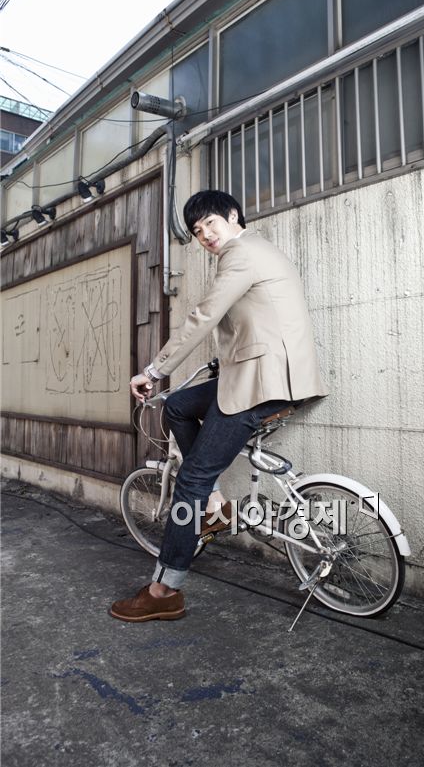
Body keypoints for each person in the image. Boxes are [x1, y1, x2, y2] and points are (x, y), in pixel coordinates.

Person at [110, 190, 327, 622]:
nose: (205, 234)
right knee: (177, 406)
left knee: (190, 479)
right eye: (196, 231)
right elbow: (259, 319)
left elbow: (204, 316)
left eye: (210, 222)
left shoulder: (240, 254)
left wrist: (153, 370)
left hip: (263, 384)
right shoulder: (259, 250)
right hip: (261, 373)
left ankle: (164, 590)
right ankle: (214, 506)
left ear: (232, 216)